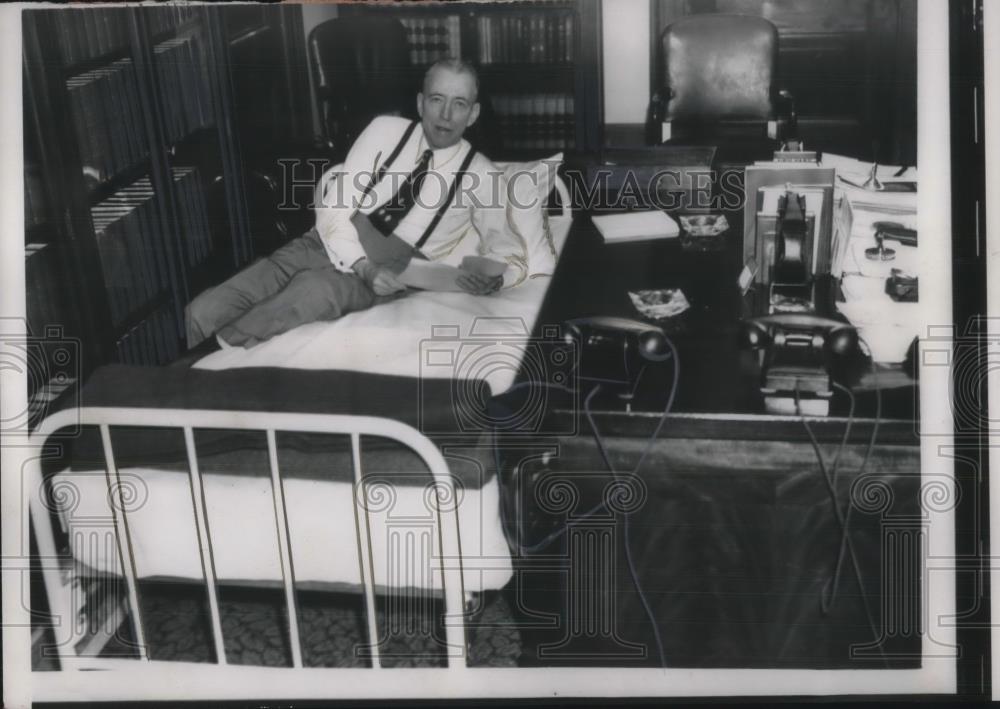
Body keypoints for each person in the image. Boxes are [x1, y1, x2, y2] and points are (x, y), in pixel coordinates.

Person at [185, 58, 527, 349]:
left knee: (313, 290)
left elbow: (506, 249)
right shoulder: (384, 131)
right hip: (324, 243)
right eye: (438, 99)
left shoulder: (483, 175)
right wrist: (363, 264)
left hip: (389, 273)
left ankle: (198, 372)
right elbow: (335, 208)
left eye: (460, 104)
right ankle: (194, 377)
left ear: (474, 113)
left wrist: (492, 275)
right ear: (421, 103)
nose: (447, 114)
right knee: (203, 310)